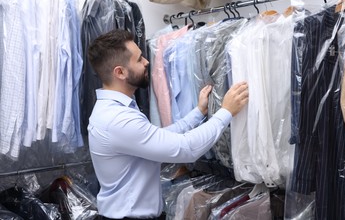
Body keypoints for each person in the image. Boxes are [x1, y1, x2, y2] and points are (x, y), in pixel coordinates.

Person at [87, 29, 249, 220]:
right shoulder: (118, 119)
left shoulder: (113, 110)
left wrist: (197, 113)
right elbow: (185, 148)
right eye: (139, 59)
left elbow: (156, 137)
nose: (147, 62)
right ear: (120, 72)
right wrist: (226, 111)